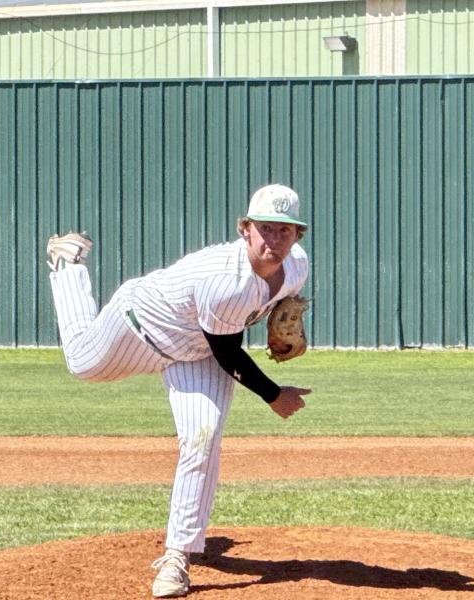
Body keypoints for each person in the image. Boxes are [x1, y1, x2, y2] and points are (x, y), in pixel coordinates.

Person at [45, 183, 312, 598]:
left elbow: (281, 305)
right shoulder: (226, 281)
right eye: (265, 228)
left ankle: (177, 558)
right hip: (142, 327)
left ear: (298, 235)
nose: (274, 239)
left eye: (285, 230)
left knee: (202, 439)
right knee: (81, 362)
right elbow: (228, 352)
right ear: (245, 229)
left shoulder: (297, 267)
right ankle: (67, 264)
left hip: (199, 351)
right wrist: (274, 394)